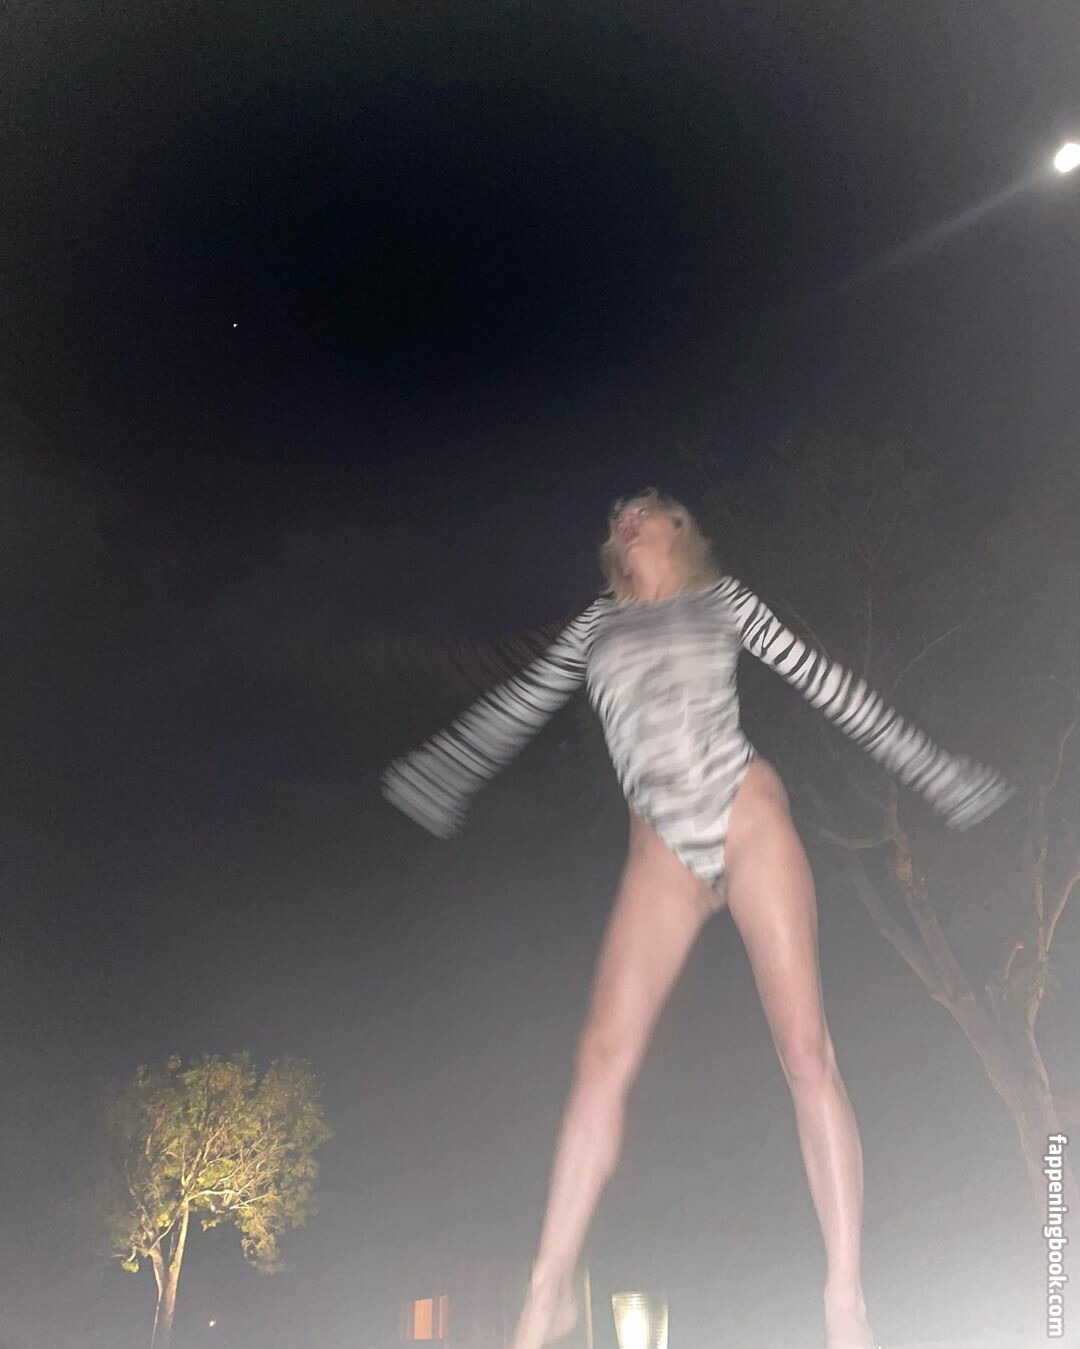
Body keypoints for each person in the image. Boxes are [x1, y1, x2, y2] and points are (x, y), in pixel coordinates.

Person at [381, 488, 1013, 1349]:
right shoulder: (595, 625)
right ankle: (547, 1294)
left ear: (679, 530)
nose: (627, 515)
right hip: (661, 854)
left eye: (645, 506)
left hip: (746, 817)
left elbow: (831, 687)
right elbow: (519, 704)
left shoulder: (722, 601)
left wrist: (933, 767)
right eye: (617, 512)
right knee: (599, 1059)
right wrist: (445, 767)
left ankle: (845, 1300)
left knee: (806, 1051)